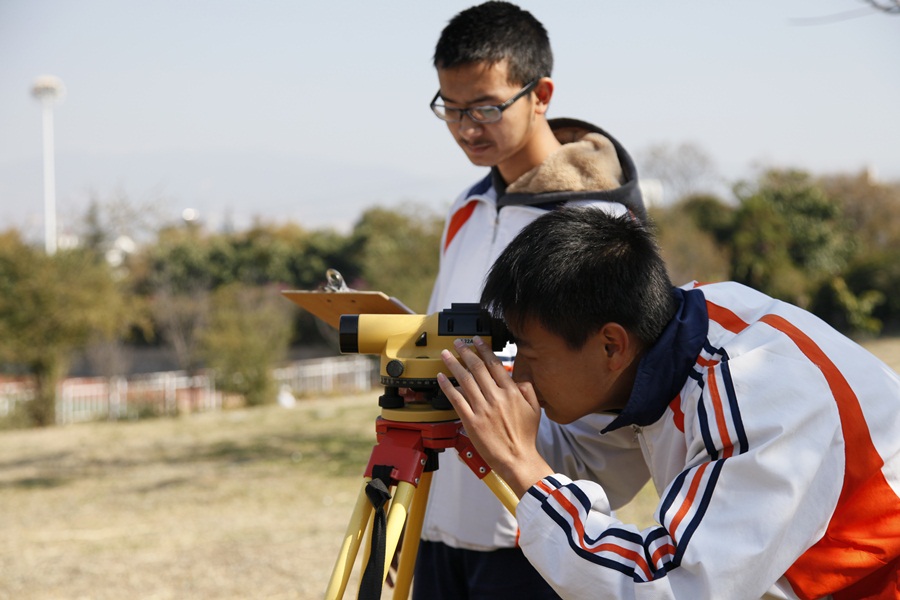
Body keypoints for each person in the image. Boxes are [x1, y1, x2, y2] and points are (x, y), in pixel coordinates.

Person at [437, 206, 900, 600]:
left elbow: (670, 586)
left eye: (530, 355)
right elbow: (586, 466)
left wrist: (520, 462)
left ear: (611, 346)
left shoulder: (755, 396)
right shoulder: (673, 335)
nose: (518, 375)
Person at [413, 2, 650, 598]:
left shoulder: (596, 220)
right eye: (451, 108)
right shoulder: (466, 208)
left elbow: (613, 390)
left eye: (485, 107)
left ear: (540, 94)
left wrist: (546, 487)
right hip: (440, 518)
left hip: (533, 526)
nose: (466, 128)